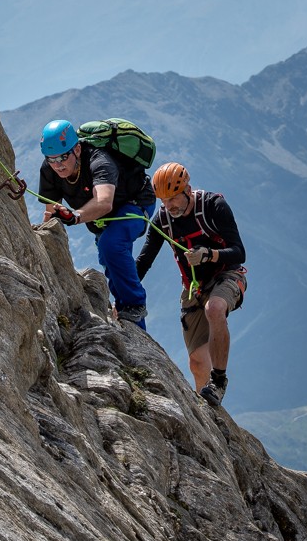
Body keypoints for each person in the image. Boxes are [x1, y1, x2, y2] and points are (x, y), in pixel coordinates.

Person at [136, 162, 247, 408]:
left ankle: (218, 382)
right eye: (164, 201)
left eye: (173, 199)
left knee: (215, 309)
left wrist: (209, 254)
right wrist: (121, 295)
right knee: (197, 362)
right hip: (194, 287)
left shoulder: (213, 206)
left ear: (187, 189)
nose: (169, 206)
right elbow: (144, 261)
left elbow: (239, 252)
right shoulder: (164, 219)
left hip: (227, 275)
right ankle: (210, 412)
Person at [38, 119, 154, 328]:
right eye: (52, 159)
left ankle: (135, 306)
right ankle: (134, 324)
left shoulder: (100, 161)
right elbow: (50, 212)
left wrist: (75, 216)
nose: (58, 165)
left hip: (135, 203)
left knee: (112, 245)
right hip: (98, 217)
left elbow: (104, 202)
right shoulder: (49, 170)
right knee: (109, 260)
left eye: (64, 157)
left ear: (78, 149)